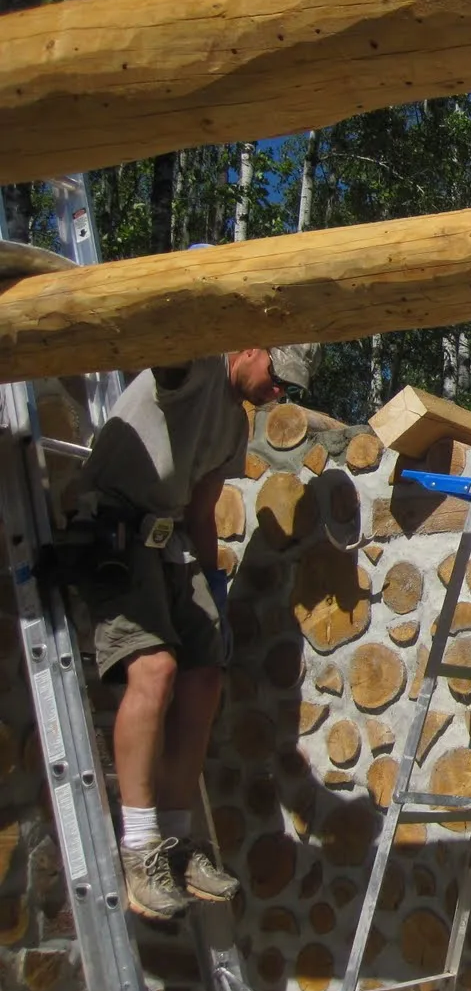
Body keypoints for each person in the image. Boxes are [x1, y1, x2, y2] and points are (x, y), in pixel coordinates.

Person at [71, 343, 320, 920]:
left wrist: (212, 586)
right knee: (156, 669)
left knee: (205, 675)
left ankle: (178, 842)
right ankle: (141, 849)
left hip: (167, 540)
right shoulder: (194, 366)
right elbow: (170, 327)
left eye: (289, 388)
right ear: (250, 348)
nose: (278, 391)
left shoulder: (234, 426)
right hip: (112, 527)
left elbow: (202, 512)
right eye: (277, 376)